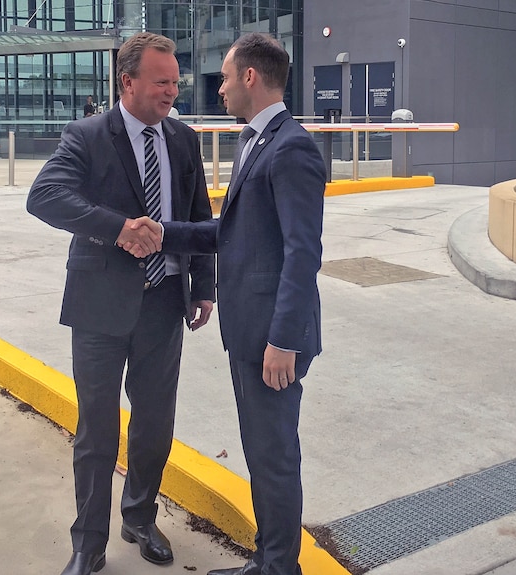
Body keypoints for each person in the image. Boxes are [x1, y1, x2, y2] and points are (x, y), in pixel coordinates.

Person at [125, 32, 326, 575]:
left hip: (272, 339)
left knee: (274, 459)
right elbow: (232, 234)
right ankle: (268, 562)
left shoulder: (291, 148)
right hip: (249, 333)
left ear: (251, 78)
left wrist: (283, 340)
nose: (220, 90)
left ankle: (279, 568)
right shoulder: (257, 141)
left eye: (226, 78)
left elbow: (303, 255)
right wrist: (162, 233)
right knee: (262, 455)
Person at [26, 32, 216, 575]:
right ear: (127, 82)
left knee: (155, 423)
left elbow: (199, 214)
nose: (171, 92)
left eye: (175, 83)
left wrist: (203, 286)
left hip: (163, 304)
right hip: (99, 307)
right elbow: (45, 197)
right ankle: (88, 543)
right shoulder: (87, 135)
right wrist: (117, 229)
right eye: (161, 82)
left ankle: (139, 516)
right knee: (97, 432)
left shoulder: (182, 139)